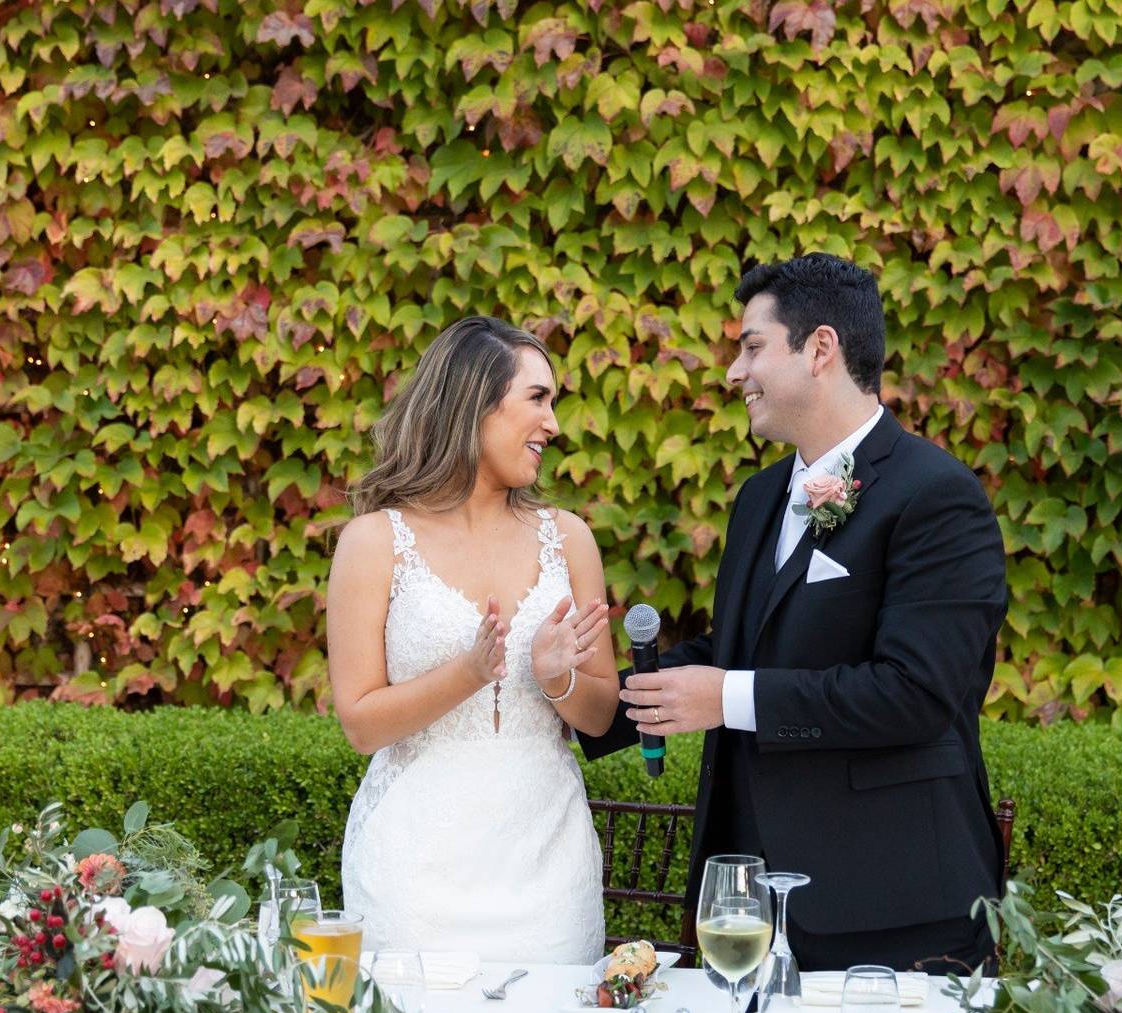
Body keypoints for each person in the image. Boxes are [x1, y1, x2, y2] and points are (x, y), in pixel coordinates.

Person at [581, 255, 1010, 974]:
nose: (733, 373)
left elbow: (915, 693)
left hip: (893, 909)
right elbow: (740, 649)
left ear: (820, 349)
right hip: (747, 902)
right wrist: (587, 700)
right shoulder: (760, 497)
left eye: (752, 348)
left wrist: (726, 697)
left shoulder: (938, 496)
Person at [326, 316, 616, 962]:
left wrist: (556, 678)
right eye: (537, 399)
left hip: (549, 872)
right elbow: (360, 724)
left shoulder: (570, 539)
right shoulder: (373, 544)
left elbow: (600, 717)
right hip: (414, 882)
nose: (554, 425)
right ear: (473, 402)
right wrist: (469, 670)